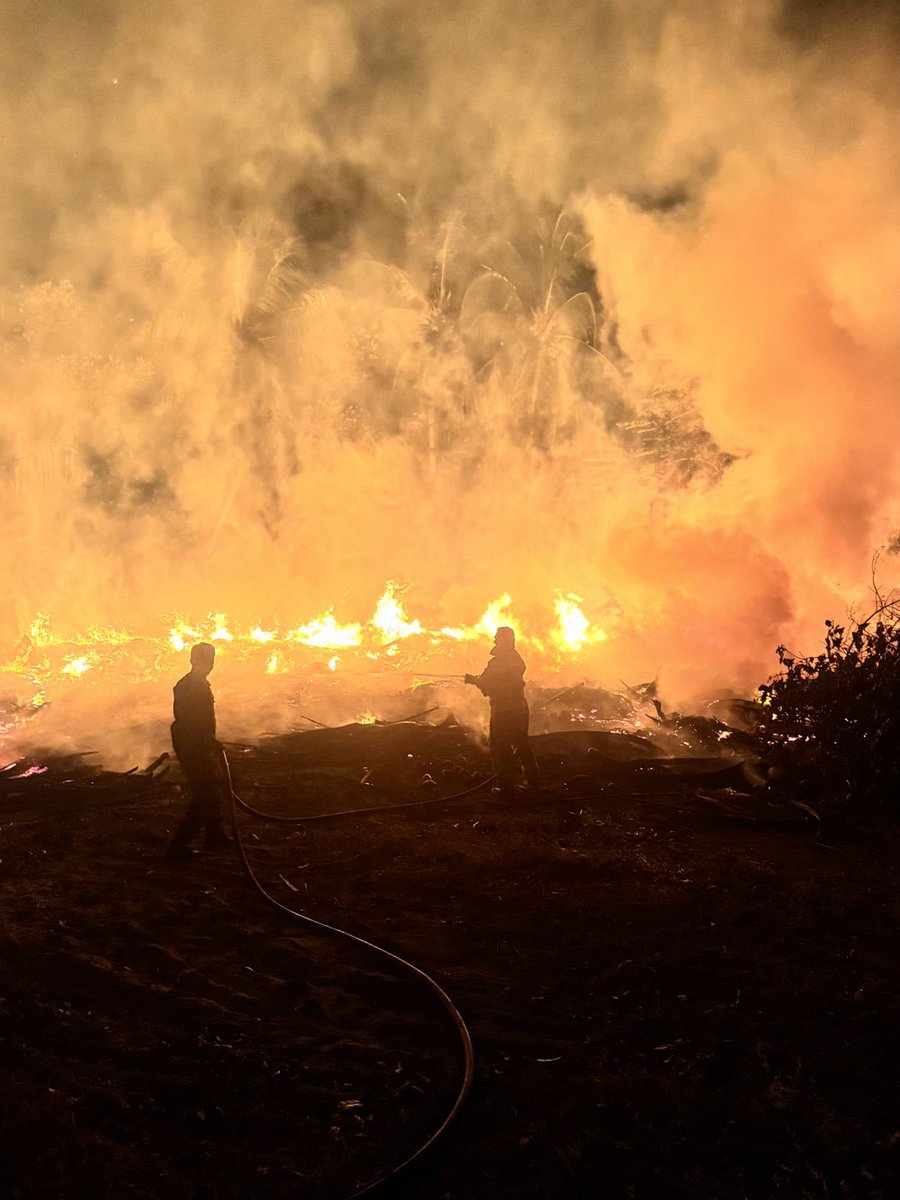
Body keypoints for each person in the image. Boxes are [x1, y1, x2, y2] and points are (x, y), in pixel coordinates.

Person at [166, 642, 230, 860]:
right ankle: (177, 846)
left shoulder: (196, 684)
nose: (209, 665)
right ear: (193, 661)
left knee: (212, 785)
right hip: (193, 746)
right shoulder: (191, 686)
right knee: (205, 794)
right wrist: (208, 741)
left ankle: (215, 835)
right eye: (205, 660)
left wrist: (210, 740)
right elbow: (191, 721)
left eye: (211, 661)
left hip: (198, 743)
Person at [465, 626, 540, 794]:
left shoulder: (497, 663)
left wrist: (472, 680)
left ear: (504, 641)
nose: (494, 640)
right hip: (519, 707)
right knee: (521, 743)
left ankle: (506, 786)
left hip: (503, 709)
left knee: (501, 745)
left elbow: (487, 682)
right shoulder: (516, 660)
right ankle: (533, 780)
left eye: (497, 637)